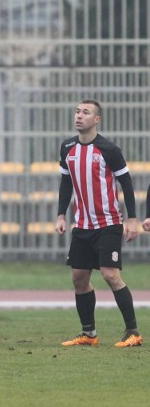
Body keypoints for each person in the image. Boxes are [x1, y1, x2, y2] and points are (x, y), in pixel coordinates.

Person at [55, 99, 142, 348]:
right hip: (82, 225)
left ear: (96, 120)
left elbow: (126, 183)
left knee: (109, 274)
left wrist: (132, 219)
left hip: (109, 223)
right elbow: (65, 183)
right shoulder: (67, 147)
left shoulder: (109, 149)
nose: (79, 115)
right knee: (79, 278)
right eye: (77, 111)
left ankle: (133, 332)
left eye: (86, 112)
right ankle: (89, 334)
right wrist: (61, 215)